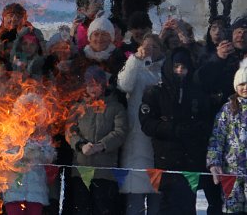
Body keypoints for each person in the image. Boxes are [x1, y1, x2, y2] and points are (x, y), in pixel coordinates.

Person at [141, 47, 215, 214]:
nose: (180, 71)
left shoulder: (197, 94)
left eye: (184, 67)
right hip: (165, 160)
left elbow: (207, 123)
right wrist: (172, 129)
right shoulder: (155, 92)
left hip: (190, 160)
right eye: (176, 67)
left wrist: (192, 130)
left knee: (187, 206)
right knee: (165, 206)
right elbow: (147, 124)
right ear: (170, 67)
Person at [64, 65, 128, 215]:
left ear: (104, 85)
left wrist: (102, 145)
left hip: (105, 172)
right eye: (89, 84)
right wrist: (81, 145)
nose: (93, 88)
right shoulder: (77, 108)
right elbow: (69, 131)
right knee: (81, 209)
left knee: (103, 209)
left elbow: (120, 132)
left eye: (97, 84)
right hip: (81, 170)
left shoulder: (116, 107)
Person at [117, 34, 164, 215]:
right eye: (147, 46)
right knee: (134, 201)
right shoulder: (135, 67)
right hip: (136, 140)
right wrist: (135, 60)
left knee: (156, 202)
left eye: (155, 47)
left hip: (158, 142)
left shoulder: (165, 70)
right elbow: (124, 85)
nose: (150, 50)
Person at [1, 93, 56, 215]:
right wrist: (22, 154)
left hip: (36, 190)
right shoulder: (10, 133)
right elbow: (4, 155)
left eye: (33, 111)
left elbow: (50, 156)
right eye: (26, 110)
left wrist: (37, 153)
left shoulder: (42, 135)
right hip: (14, 189)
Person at [206, 59, 247, 215]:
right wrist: (213, 162)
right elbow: (217, 137)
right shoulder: (228, 109)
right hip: (232, 172)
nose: (245, 88)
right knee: (232, 210)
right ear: (236, 86)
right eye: (242, 84)